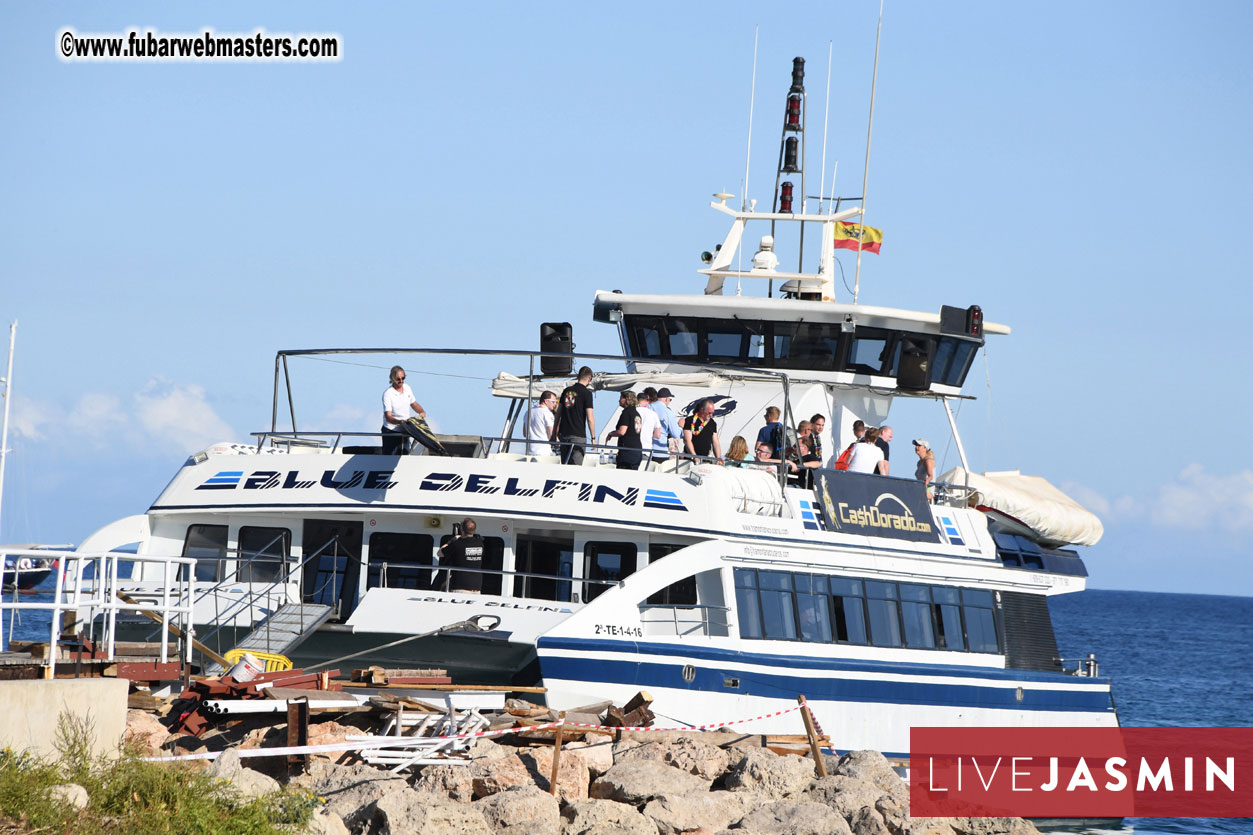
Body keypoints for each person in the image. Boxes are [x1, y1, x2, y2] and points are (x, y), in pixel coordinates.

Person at [553, 366, 596, 465]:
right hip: (578, 435)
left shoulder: (566, 391)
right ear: (589, 379)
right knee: (575, 468)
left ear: (578, 376)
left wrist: (554, 433)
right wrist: (593, 438)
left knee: (565, 466)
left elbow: (558, 413)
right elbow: (590, 418)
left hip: (564, 434)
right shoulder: (587, 393)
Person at [381, 366, 428, 455]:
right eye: (398, 379)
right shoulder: (388, 394)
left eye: (403, 378)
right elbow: (388, 416)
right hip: (391, 431)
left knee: (406, 454)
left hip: (406, 429)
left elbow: (414, 404)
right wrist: (400, 422)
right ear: (393, 379)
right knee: (390, 457)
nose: (401, 381)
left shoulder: (407, 388)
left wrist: (421, 411)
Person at [437, 518, 485, 593]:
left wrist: (451, 541)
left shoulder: (457, 544)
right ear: (474, 530)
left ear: (462, 530)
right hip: (477, 586)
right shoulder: (480, 544)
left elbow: (439, 553)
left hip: (461, 586)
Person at [648, 387, 683, 464]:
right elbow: (675, 434)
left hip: (645, 451)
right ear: (667, 399)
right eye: (670, 400)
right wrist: (680, 427)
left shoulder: (648, 407)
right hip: (660, 452)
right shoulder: (668, 413)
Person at [612, 391, 644, 470]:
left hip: (627, 452)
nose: (619, 400)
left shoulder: (627, 413)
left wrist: (611, 434)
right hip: (637, 451)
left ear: (626, 399)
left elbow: (622, 431)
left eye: (620, 398)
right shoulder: (636, 414)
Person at [524, 390, 557, 456]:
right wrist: (559, 444)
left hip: (529, 451)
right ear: (546, 401)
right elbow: (551, 435)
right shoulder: (547, 413)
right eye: (553, 402)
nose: (555, 404)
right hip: (543, 452)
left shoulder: (528, 412)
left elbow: (525, 433)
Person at [635, 389, 662, 467]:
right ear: (647, 401)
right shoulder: (653, 414)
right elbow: (658, 435)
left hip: (632, 448)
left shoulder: (632, 411)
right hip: (646, 449)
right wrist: (649, 434)